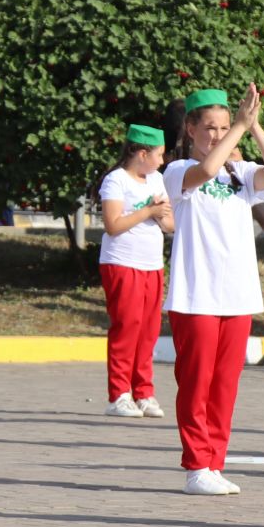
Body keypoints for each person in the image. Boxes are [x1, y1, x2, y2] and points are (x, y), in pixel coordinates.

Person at [164, 86, 264, 496]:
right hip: (195, 294)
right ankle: (196, 463)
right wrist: (237, 126)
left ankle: (215, 461)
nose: (217, 135)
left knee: (225, 384)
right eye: (209, 128)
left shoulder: (242, 175)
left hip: (237, 294)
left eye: (222, 127)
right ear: (190, 129)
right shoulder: (178, 171)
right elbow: (206, 170)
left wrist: (253, 127)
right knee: (196, 381)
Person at [98, 124, 174, 420]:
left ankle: (143, 392)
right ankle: (119, 394)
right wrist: (148, 212)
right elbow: (113, 225)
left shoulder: (156, 179)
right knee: (126, 327)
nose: (162, 160)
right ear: (142, 153)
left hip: (152, 265)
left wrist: (161, 215)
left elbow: (170, 225)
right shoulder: (116, 180)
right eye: (159, 154)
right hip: (121, 263)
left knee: (148, 330)